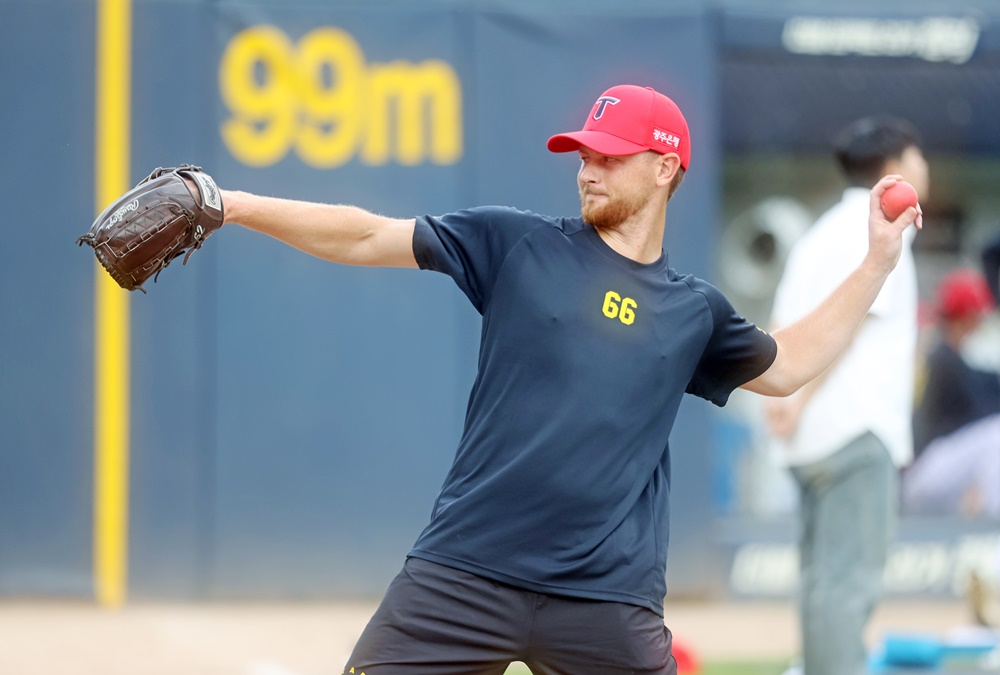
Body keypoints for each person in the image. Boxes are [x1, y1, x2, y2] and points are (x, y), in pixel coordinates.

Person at [219, 85, 919, 674]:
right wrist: (231, 204)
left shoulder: (692, 310)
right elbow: (368, 234)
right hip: (466, 573)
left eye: (610, 157)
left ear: (665, 167)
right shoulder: (517, 243)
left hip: (607, 599)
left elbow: (790, 362)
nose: (589, 169)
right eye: (585, 155)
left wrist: (878, 262)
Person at [764, 116, 927, 675]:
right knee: (846, 587)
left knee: (819, 584)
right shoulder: (883, 227)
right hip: (855, 431)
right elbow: (847, 329)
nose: (922, 167)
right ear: (895, 168)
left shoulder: (817, 234)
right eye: (917, 157)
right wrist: (802, 400)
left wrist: (784, 405)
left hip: (806, 439)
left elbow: (782, 328)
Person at [902, 269, 1000, 516]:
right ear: (964, 317)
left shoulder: (950, 357)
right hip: (919, 473)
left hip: (936, 473)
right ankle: (992, 527)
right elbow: (985, 402)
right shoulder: (941, 360)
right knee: (995, 433)